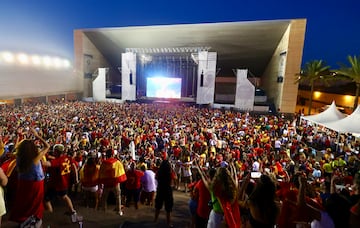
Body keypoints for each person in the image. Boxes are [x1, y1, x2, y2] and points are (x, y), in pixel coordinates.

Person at [9, 127, 50, 227]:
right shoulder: (36, 159)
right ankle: (32, 222)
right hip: (35, 184)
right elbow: (47, 146)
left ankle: (23, 220)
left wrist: (20, 136)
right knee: (34, 204)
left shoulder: (19, 157)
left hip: (23, 183)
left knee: (24, 202)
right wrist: (37, 136)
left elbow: (15, 149)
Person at [99, 148, 127, 215]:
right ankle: (119, 211)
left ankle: (103, 211)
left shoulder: (104, 163)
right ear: (112, 154)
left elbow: (101, 173)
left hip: (106, 183)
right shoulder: (117, 162)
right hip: (115, 183)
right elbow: (121, 170)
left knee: (104, 198)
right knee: (118, 197)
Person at [154, 157, 175, 227]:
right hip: (168, 190)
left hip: (160, 189)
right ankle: (169, 222)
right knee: (168, 208)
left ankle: (155, 219)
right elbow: (174, 179)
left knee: (158, 206)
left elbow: (156, 178)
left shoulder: (159, 172)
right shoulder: (170, 172)